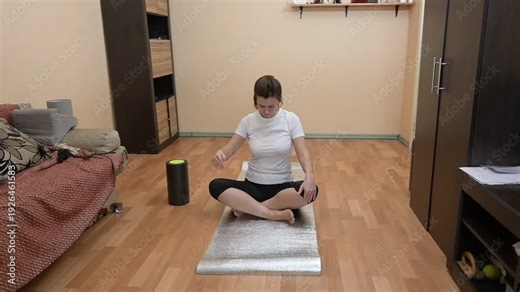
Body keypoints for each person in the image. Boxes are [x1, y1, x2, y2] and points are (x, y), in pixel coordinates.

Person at [208, 75, 318, 224]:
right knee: (216, 186)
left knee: (311, 191)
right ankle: (272, 214)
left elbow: (302, 152)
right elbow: (231, 148)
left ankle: (252, 209)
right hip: (252, 187)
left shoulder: (291, 119)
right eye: (261, 106)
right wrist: (221, 154)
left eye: (271, 106)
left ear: (280, 101)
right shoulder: (248, 121)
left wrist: (309, 177)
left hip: (282, 189)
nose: (266, 111)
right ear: (255, 102)